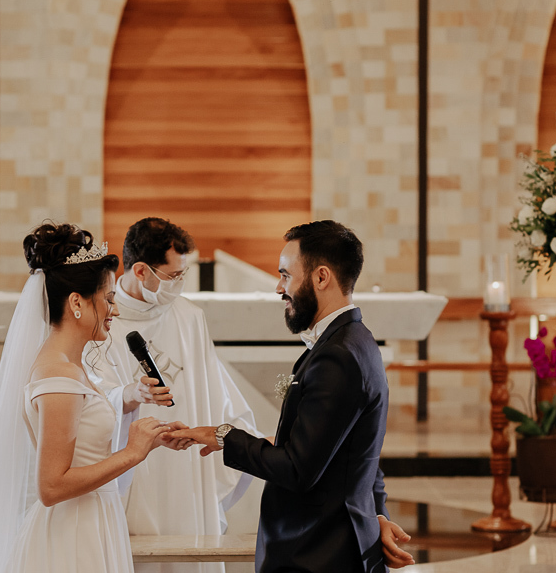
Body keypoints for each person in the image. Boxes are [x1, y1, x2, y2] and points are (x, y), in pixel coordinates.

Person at [168, 220, 415, 572]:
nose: (278, 287)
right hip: (339, 540)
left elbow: (298, 470)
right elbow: (359, 454)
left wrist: (225, 436)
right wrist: (374, 514)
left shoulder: (338, 356)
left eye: (285, 275)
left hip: (319, 552)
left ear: (321, 277)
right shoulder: (358, 341)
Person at [0, 222, 190, 573]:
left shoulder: (68, 367)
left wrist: (150, 439)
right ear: (77, 301)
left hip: (90, 521)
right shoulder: (57, 375)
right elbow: (51, 485)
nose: (115, 310)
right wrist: (132, 453)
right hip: (73, 533)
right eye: (108, 299)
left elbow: (85, 447)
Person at [88, 217, 261, 573]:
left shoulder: (189, 317)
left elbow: (211, 388)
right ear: (140, 270)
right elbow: (91, 390)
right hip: (133, 461)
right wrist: (128, 393)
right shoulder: (105, 317)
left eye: (183, 275)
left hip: (186, 466)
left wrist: (232, 431)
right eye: (172, 276)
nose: (179, 284)